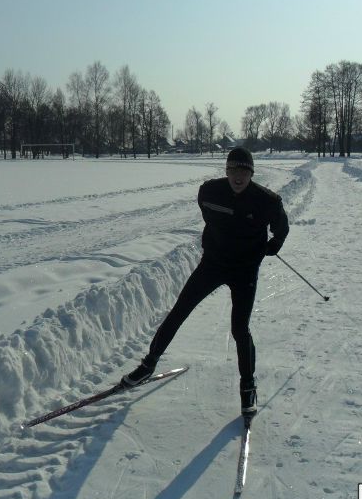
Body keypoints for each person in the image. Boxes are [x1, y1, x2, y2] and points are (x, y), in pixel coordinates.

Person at [120, 147, 289, 419]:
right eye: (233, 170)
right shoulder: (209, 192)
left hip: (244, 270)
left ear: (251, 173)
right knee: (179, 310)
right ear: (226, 171)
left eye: (244, 171)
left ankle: (248, 386)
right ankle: (148, 365)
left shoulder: (267, 201)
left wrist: (274, 243)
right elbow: (210, 217)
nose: (238, 176)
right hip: (212, 264)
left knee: (239, 328)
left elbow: (282, 226)